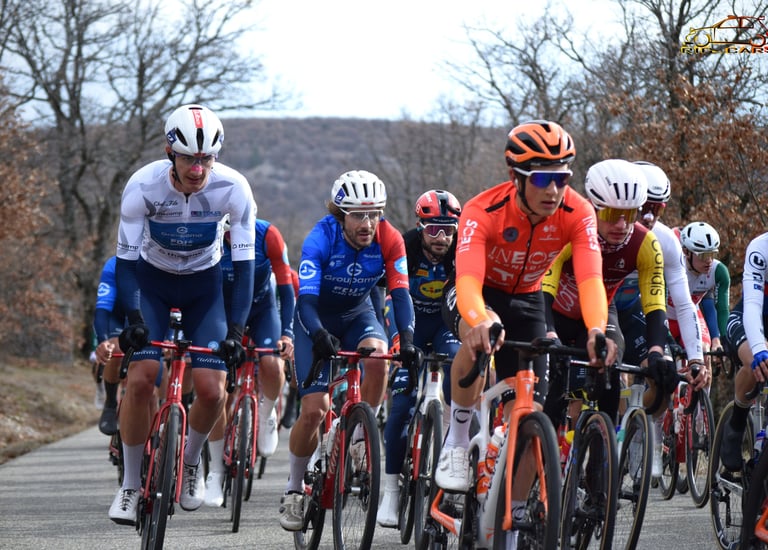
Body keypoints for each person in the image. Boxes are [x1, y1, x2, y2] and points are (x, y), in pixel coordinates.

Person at [436, 120, 616, 496]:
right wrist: (480, 318)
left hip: (529, 299)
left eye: (562, 178)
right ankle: (455, 440)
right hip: (478, 292)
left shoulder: (577, 212)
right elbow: (467, 279)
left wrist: (598, 329)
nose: (552, 190)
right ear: (515, 177)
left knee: (536, 415)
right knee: (478, 334)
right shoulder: (483, 209)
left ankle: (516, 512)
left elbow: (589, 279)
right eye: (540, 179)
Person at [108, 104, 256, 525]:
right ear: (170, 152)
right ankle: (131, 485)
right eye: (190, 158)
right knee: (140, 379)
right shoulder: (143, 186)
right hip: (151, 284)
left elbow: (244, 265)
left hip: (203, 289)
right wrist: (134, 316)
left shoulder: (234, 188)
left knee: (212, 389)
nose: (198, 168)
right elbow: (125, 261)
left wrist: (239, 327)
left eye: (206, 158)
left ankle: (190, 463)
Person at [278, 170, 420, 531]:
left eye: (374, 214)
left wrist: (407, 338)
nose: (368, 223)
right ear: (341, 214)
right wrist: (319, 333)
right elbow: (305, 301)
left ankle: (360, 432)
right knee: (314, 410)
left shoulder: (389, 238)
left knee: (377, 357)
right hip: (317, 320)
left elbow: (400, 294)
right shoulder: (319, 239)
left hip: (359, 314)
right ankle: (294, 488)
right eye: (359, 214)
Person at [542, 159, 671, 433]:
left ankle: (602, 458)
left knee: (612, 366)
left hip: (600, 313)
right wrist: (549, 332)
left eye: (631, 214)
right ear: (594, 207)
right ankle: (547, 449)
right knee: (554, 386)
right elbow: (545, 285)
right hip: (556, 313)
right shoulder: (567, 230)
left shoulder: (645, 243)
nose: (622, 224)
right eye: (612, 213)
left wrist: (657, 351)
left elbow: (655, 301)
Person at [614, 161, 708, 476]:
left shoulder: (665, 240)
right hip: (601, 304)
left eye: (658, 208)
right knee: (604, 376)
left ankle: (643, 431)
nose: (650, 217)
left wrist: (696, 359)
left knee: (663, 372)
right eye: (644, 207)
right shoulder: (608, 224)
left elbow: (684, 304)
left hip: (637, 310)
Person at [376, 189, 462, 527]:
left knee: (460, 370)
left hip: (445, 323)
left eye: (448, 229)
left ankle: (453, 463)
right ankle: (391, 493)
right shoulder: (406, 246)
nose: (441, 238)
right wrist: (397, 339)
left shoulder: (462, 250)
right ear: (419, 225)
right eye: (433, 229)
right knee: (402, 407)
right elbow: (388, 297)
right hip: (408, 324)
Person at [204, 217, 295, 507]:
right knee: (218, 391)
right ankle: (215, 471)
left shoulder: (268, 234)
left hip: (261, 311)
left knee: (270, 363)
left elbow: (286, 287)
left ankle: (267, 414)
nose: (233, 235)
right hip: (222, 312)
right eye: (228, 231)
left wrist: (287, 333)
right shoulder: (210, 234)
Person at [720, 231, 768, 470]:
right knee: (754, 363)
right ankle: (736, 426)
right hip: (748, 319)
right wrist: (759, 348)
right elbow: (752, 304)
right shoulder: (760, 247)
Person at [675, 221, 730, 366]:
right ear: (686, 252)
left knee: (705, 355)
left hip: (691, 314)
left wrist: (720, 340)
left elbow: (722, 309)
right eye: (703, 255)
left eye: (712, 254)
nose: (709, 260)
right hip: (666, 316)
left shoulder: (719, 272)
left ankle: (702, 389)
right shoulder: (673, 267)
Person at [92, 255, 127, 436]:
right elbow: (102, 307)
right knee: (115, 347)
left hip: (148, 316)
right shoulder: (114, 264)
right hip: (117, 317)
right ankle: (111, 402)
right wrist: (103, 339)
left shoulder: (163, 260)